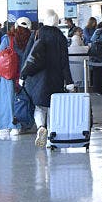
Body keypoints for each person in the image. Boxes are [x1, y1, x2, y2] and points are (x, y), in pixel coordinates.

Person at [22, 10, 74, 147]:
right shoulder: (61, 38)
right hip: (55, 77)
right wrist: (69, 82)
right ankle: (51, 138)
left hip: (37, 78)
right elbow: (64, 62)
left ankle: (40, 127)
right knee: (52, 107)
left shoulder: (36, 34)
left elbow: (28, 56)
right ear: (57, 21)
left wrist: (22, 75)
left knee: (39, 106)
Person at [0, 17, 35, 136]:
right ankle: (25, 123)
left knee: (8, 100)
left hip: (8, 75)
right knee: (25, 99)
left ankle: (12, 124)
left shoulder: (8, 39)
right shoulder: (31, 39)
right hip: (26, 74)